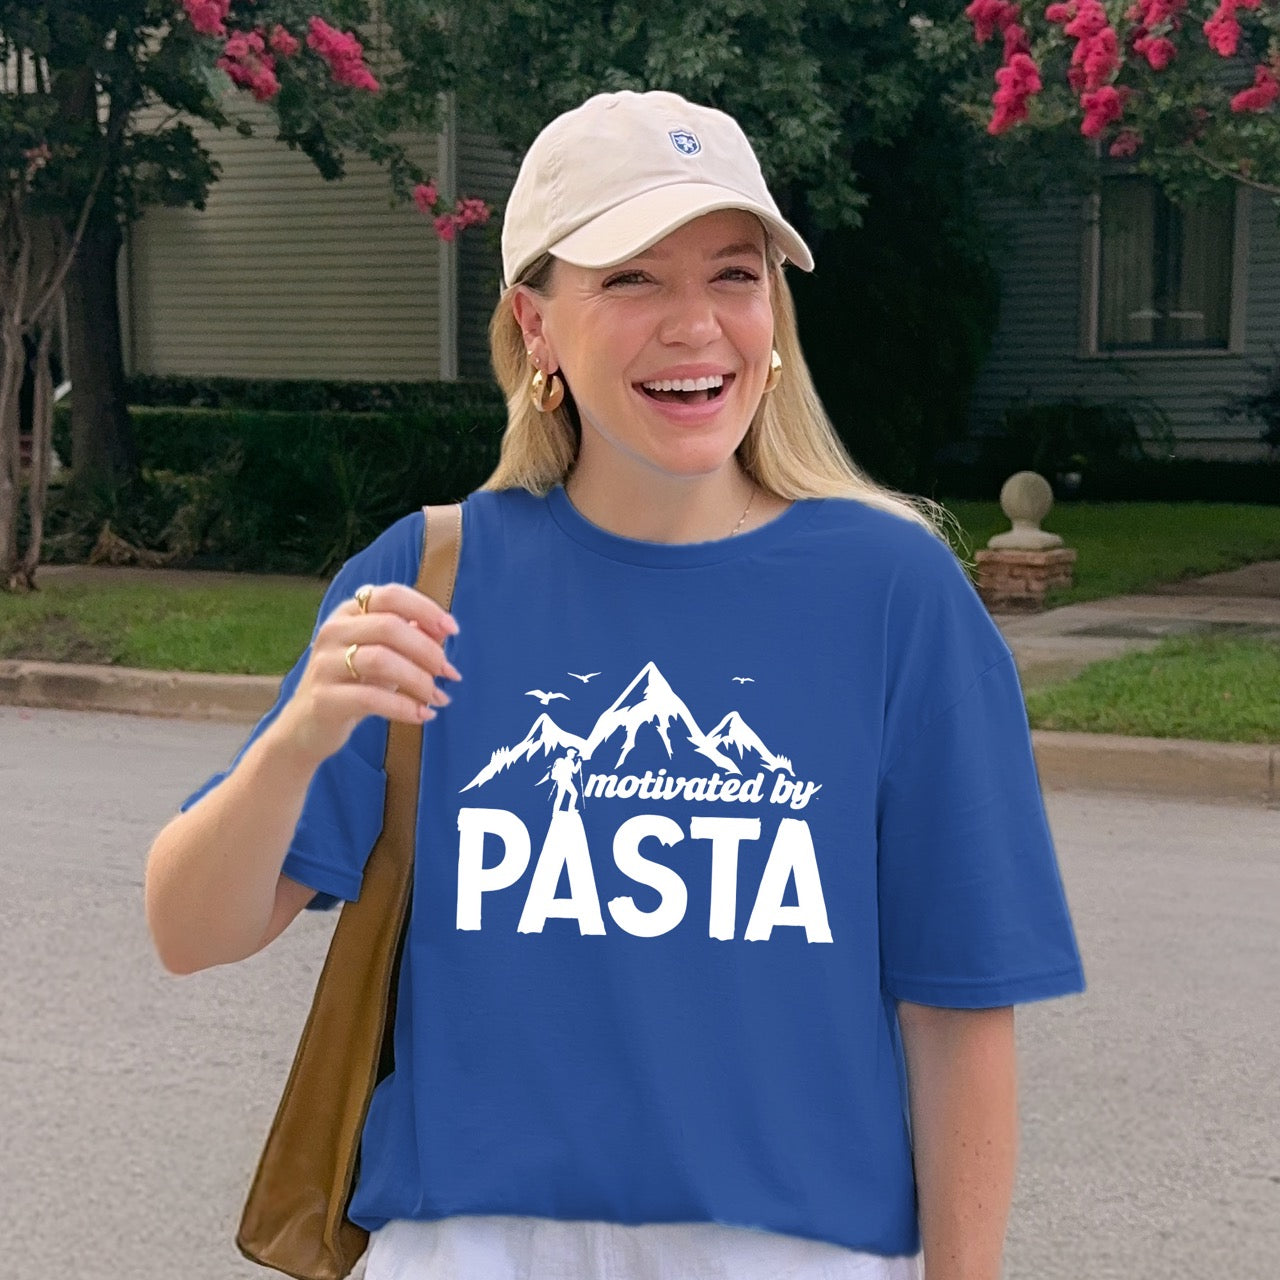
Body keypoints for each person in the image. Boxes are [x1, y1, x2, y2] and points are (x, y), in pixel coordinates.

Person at [144, 89, 1085, 1280]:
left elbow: (957, 1005)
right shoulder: (432, 574)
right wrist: (292, 745)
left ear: (774, 312)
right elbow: (188, 929)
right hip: (469, 1247)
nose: (695, 325)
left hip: (797, 1252)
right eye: (631, 279)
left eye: (733, 276)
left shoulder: (892, 591)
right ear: (536, 325)